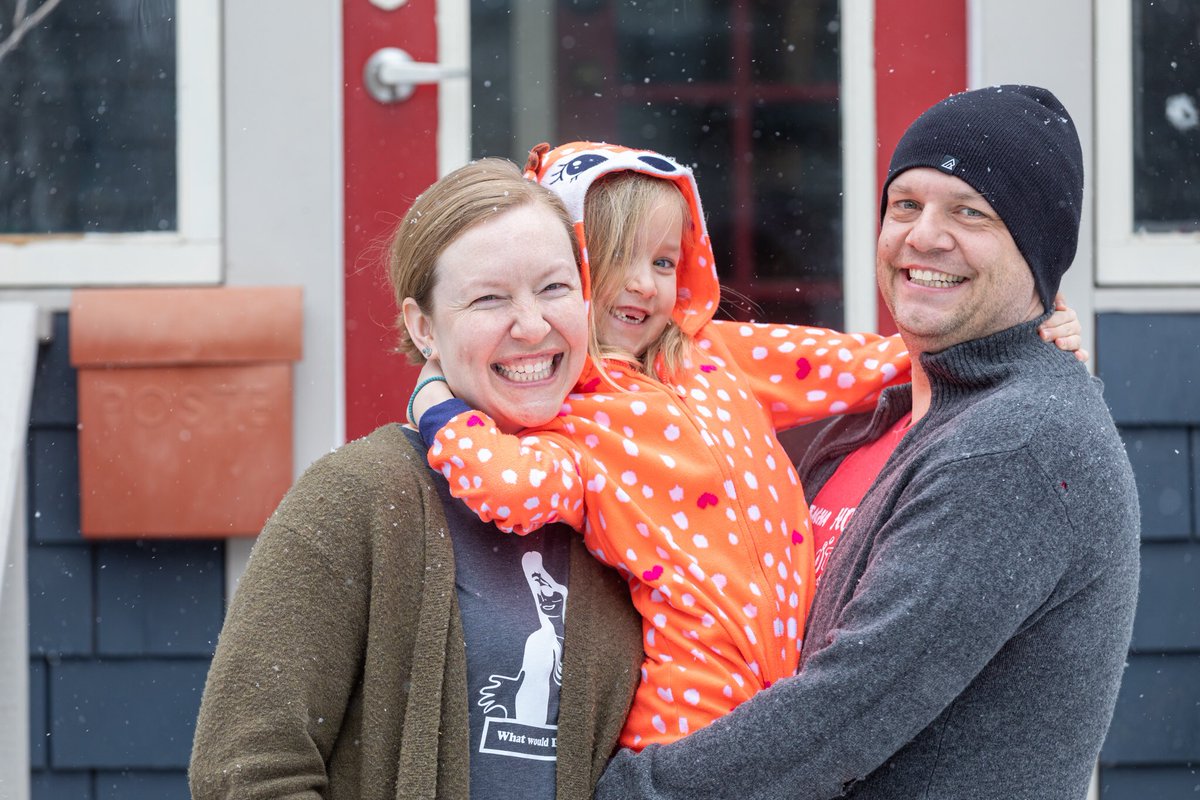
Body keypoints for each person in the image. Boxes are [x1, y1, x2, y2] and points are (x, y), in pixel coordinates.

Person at [406, 142, 1086, 752]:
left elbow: (860, 363)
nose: (645, 283)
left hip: (798, 664)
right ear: (572, 264)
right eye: (618, 259)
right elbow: (508, 488)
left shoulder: (713, 355)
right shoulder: (574, 422)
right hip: (692, 694)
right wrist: (438, 402)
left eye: (665, 260)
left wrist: (1021, 339)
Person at [593, 85, 1140, 800]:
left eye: (969, 212)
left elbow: (841, 713)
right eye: (905, 205)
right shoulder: (880, 420)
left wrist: (631, 789)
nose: (922, 237)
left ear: (1035, 250)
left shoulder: (1018, 447)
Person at [188, 158, 644, 800]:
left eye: (553, 288)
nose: (533, 326)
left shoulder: (627, 500)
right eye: (489, 298)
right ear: (422, 326)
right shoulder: (355, 499)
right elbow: (248, 772)